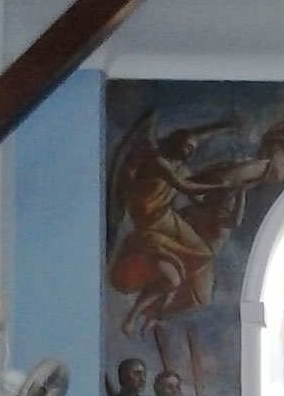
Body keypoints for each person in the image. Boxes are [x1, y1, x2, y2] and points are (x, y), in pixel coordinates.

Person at [108, 117, 259, 335]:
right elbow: (185, 187)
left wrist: (236, 191)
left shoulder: (181, 169)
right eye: (186, 146)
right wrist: (222, 184)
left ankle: (142, 314)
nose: (189, 152)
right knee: (176, 275)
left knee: (197, 260)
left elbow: (198, 198)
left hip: (167, 220)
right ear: (174, 143)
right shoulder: (158, 163)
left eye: (192, 149)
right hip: (151, 223)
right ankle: (133, 317)